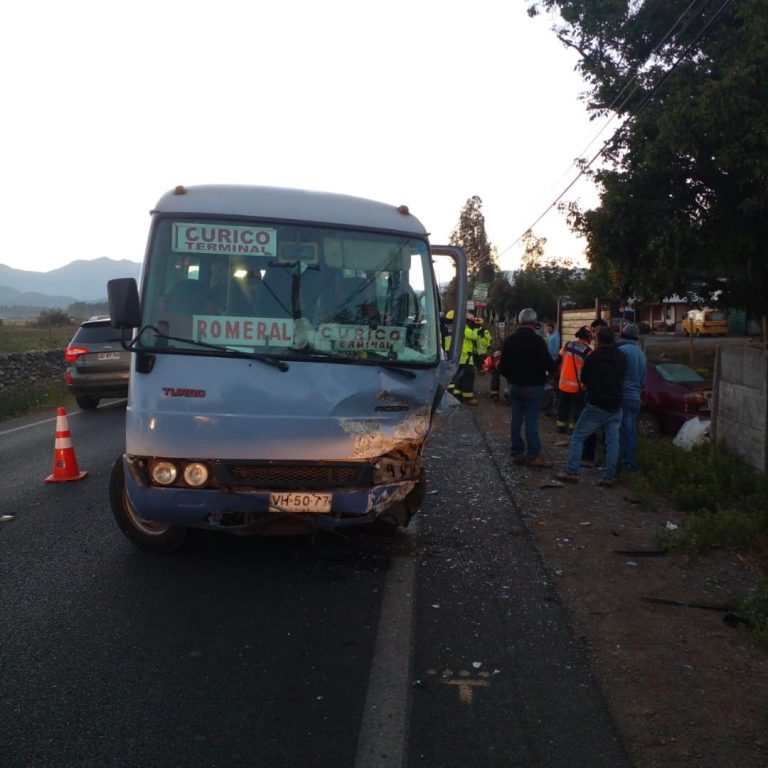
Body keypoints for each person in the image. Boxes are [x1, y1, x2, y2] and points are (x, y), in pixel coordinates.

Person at [556, 327, 627, 486]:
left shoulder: (594, 357)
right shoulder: (621, 357)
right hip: (616, 406)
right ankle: (609, 476)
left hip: (596, 405)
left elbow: (585, 378)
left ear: (598, 340)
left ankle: (572, 472)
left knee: (577, 437)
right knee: (612, 441)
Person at [498, 307, 558, 468]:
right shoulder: (538, 341)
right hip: (534, 387)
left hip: (515, 386)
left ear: (519, 321)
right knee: (531, 420)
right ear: (534, 323)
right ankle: (533, 456)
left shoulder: (510, 340)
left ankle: (517, 453)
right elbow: (549, 365)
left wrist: (511, 378)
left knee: (516, 419)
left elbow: (502, 367)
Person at [616, 323, 647, 471]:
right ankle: (630, 459)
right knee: (631, 431)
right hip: (636, 396)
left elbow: (616, 375)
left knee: (624, 431)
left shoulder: (621, 351)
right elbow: (643, 380)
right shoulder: (641, 353)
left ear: (622, 335)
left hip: (624, 395)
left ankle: (627, 463)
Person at [555, 326, 592, 433]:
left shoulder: (568, 345)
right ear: (588, 337)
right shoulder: (588, 352)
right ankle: (573, 428)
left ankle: (560, 426)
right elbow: (589, 371)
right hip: (578, 387)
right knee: (577, 408)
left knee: (563, 405)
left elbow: (558, 360)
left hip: (563, 383)